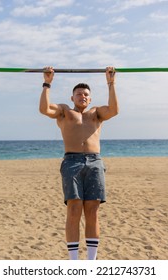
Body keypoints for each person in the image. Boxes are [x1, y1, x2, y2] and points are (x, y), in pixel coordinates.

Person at [39, 66, 119, 260]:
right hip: (72, 161)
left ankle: (90, 262)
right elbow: (44, 109)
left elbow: (114, 110)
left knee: (92, 211)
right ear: (72, 98)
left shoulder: (96, 113)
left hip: (94, 162)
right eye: (78, 94)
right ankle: (74, 262)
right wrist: (47, 83)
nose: (82, 96)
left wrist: (111, 83)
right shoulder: (65, 112)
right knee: (74, 209)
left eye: (85, 94)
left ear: (90, 98)